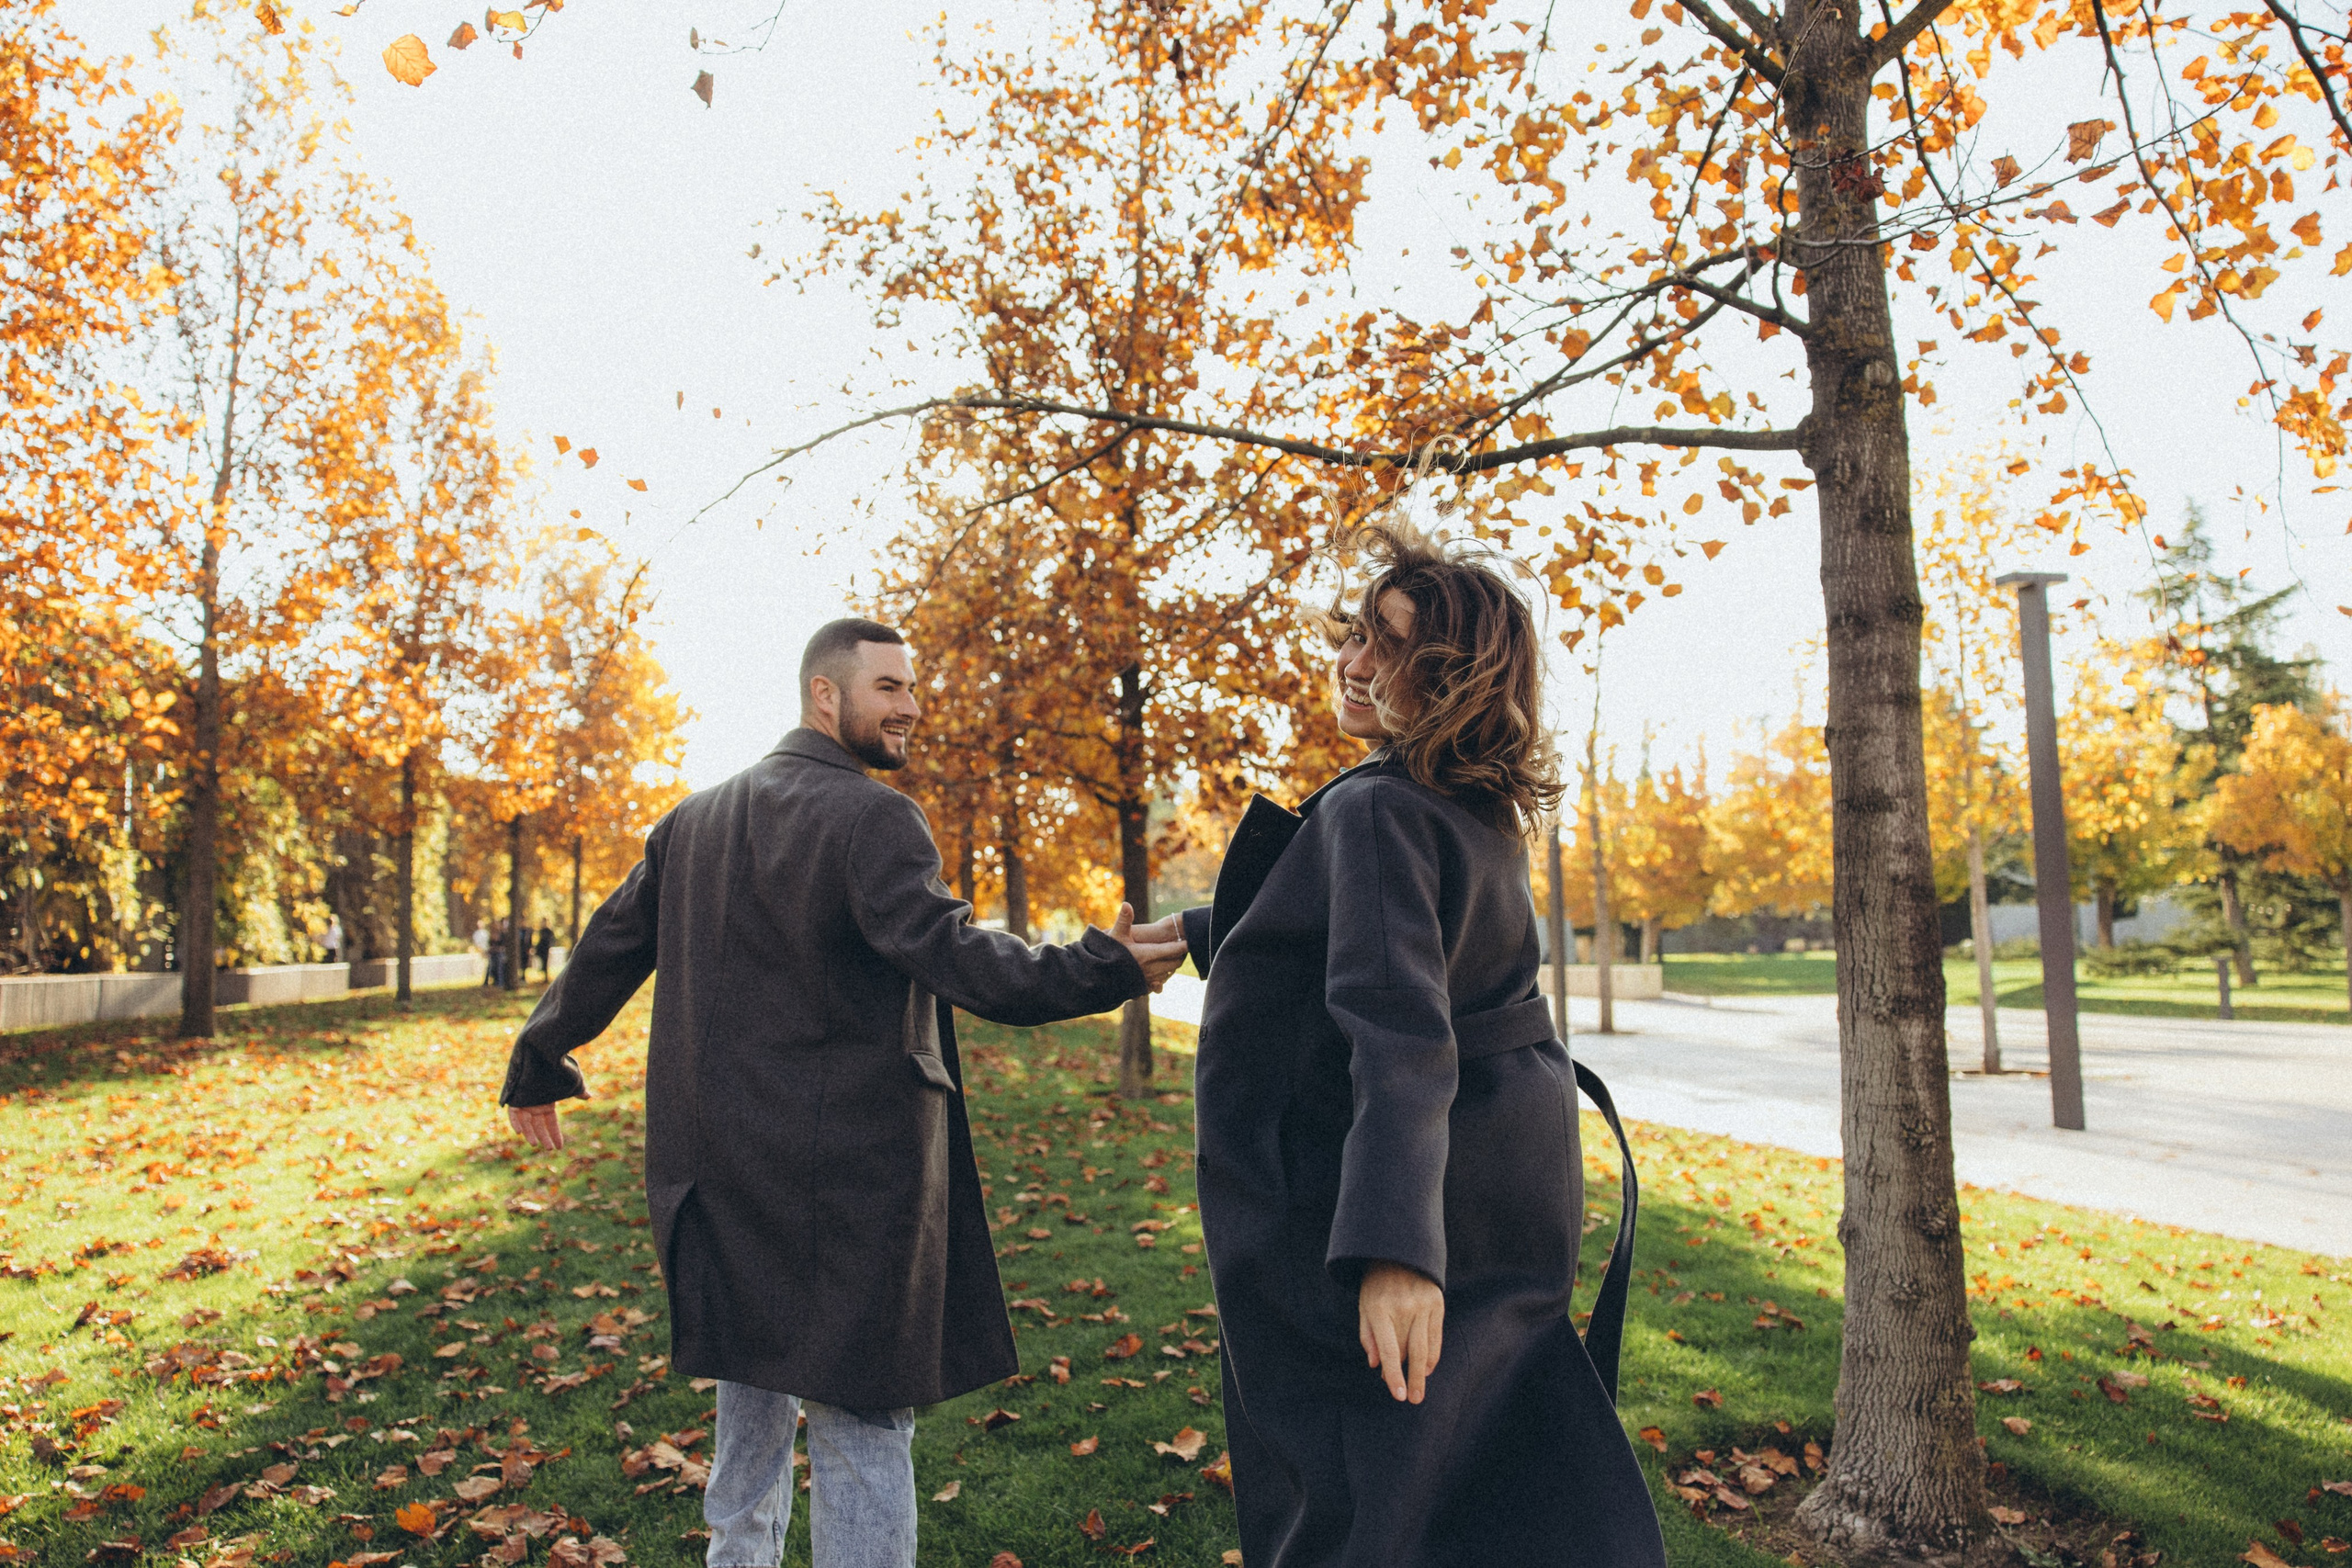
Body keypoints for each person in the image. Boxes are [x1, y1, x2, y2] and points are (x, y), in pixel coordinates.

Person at [498, 616, 1188, 1568]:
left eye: (911, 687)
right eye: (891, 688)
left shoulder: (691, 820)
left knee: (749, 1386)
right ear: (827, 696)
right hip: (843, 1186)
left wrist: (540, 1054)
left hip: (720, 1172)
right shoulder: (870, 818)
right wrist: (1104, 968)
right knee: (861, 1422)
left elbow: (608, 948)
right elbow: (962, 961)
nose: (912, 707)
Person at [1175, 520, 1666, 1567]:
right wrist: (1197, 934)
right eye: (1357, 634)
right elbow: (1401, 944)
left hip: (1412, 1188)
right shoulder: (1466, 803)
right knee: (1475, 1452)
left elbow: (1399, 1029)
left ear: (1450, 677)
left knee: (1367, 1483)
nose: (1353, 663)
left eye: (1390, 647)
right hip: (1507, 1166)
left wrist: (1396, 1251)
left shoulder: (1379, 810)